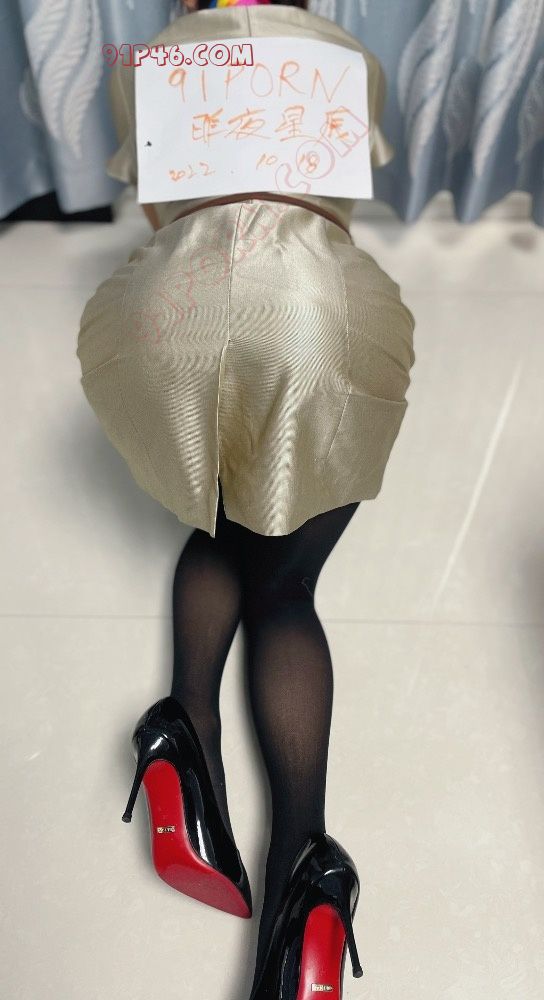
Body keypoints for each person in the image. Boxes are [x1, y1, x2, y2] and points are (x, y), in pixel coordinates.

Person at [76, 1, 416, 996]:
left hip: (166, 323)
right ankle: (304, 870)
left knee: (222, 514)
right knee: (284, 587)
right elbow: (334, 200)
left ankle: (184, 726)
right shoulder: (343, 56)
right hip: (313, 319)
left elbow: (163, 209)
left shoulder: (151, 61)